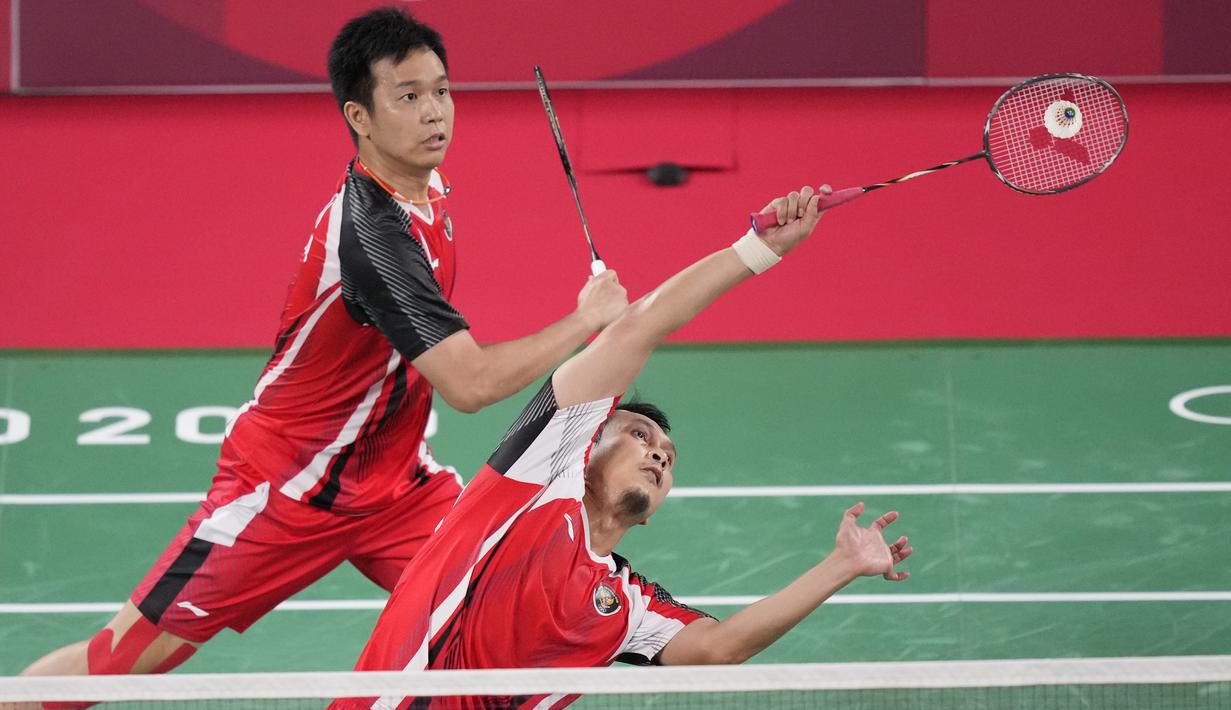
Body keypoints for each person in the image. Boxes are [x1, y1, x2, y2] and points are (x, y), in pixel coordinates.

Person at [20, 7, 626, 686]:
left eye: (441, 91)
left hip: (396, 489)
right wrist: (584, 321)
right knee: (117, 663)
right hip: (288, 487)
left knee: (512, 621)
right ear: (359, 118)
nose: (434, 113)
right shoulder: (372, 235)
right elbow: (471, 385)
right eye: (407, 96)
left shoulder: (428, 194)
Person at [336, 186, 913, 709]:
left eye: (668, 454)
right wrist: (758, 250)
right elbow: (641, 326)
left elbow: (721, 648)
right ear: (586, 447)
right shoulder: (531, 482)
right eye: (640, 435)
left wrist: (844, 565)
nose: (660, 454)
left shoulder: (628, 606)